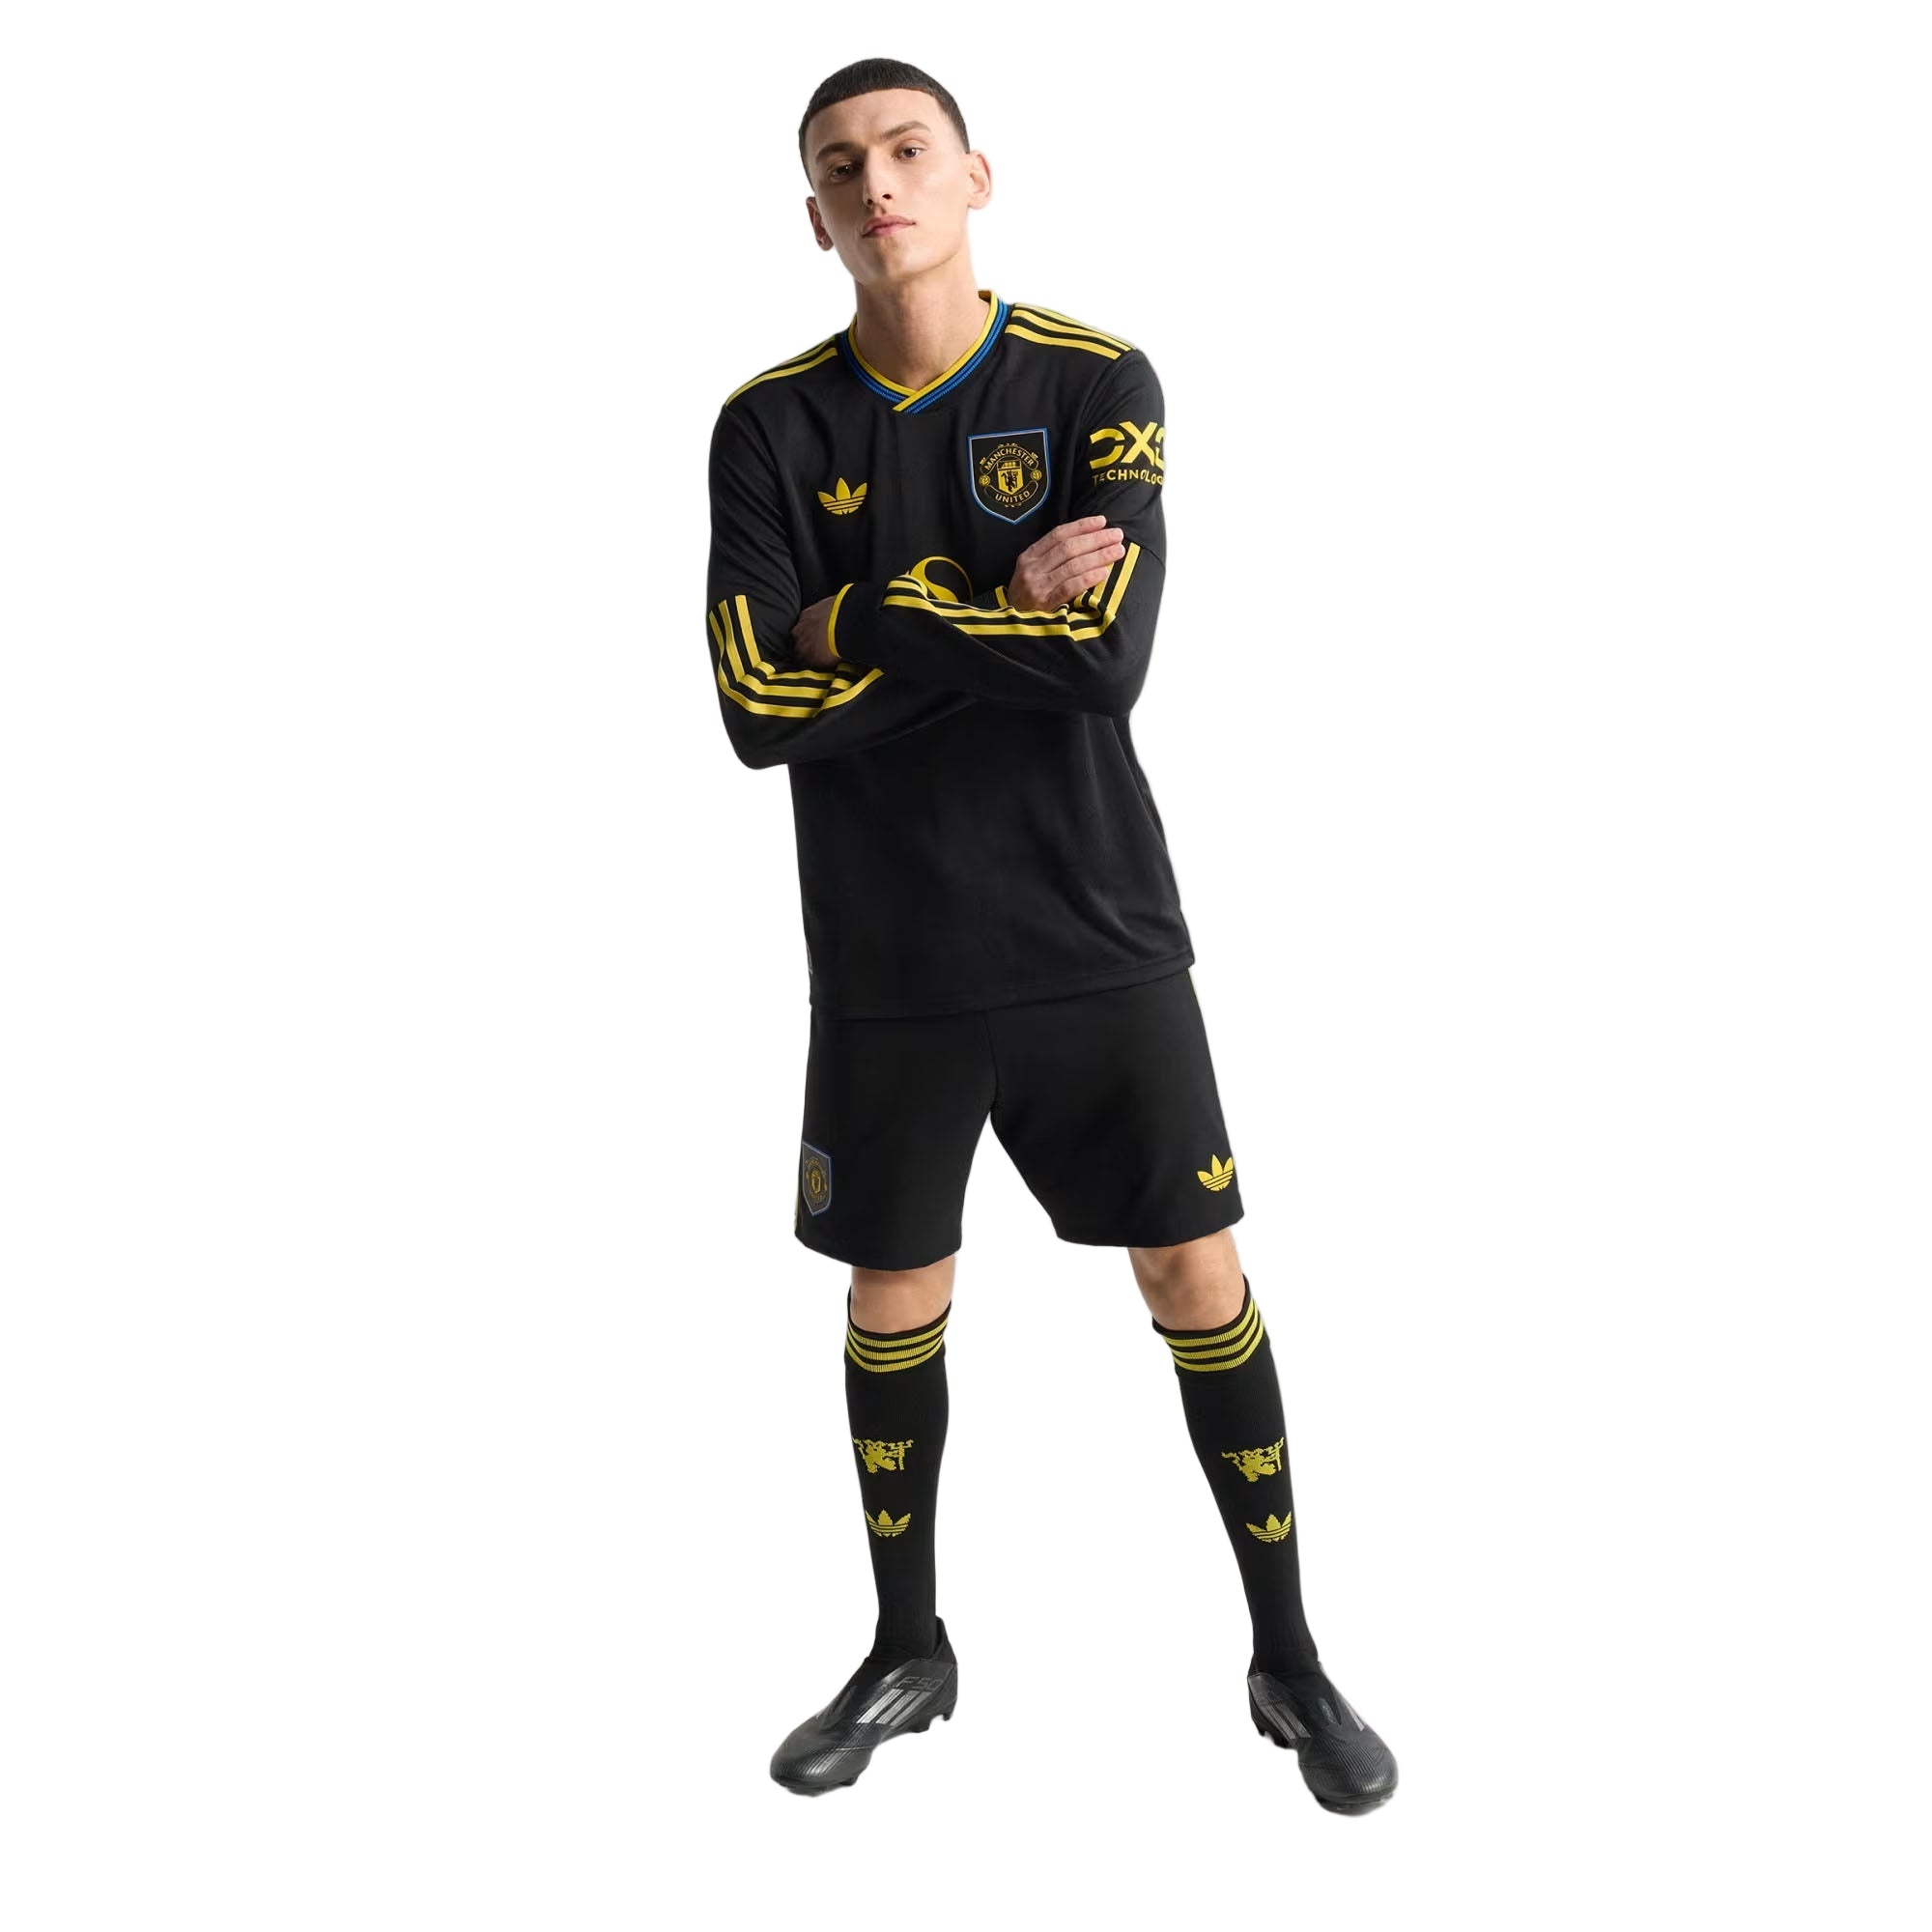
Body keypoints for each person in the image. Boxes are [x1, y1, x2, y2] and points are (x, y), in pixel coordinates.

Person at [703, 55, 1397, 1814]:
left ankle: (1291, 1658)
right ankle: (907, 1650)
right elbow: (755, 706)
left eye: (907, 150)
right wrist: (974, 604)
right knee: (895, 1290)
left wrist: (863, 621)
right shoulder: (768, 428)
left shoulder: (1096, 381)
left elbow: (1103, 662)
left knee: (1196, 1276)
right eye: (841, 167)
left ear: (975, 175)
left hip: (1096, 924)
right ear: (814, 217)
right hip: (890, 955)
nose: (878, 184)